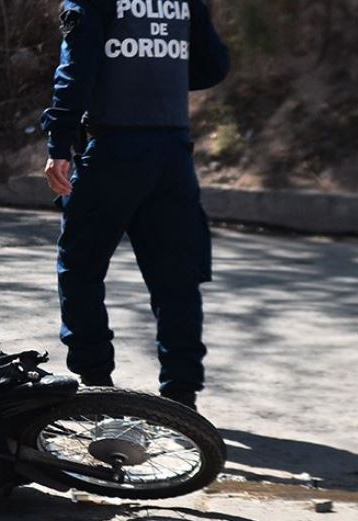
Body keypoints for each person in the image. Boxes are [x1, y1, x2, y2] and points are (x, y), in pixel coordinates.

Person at [40, 0, 229, 410]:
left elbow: (76, 68)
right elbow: (213, 65)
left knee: (79, 266)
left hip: (112, 149)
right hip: (172, 153)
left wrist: (59, 143)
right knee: (176, 277)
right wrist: (157, 77)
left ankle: (97, 383)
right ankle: (181, 394)